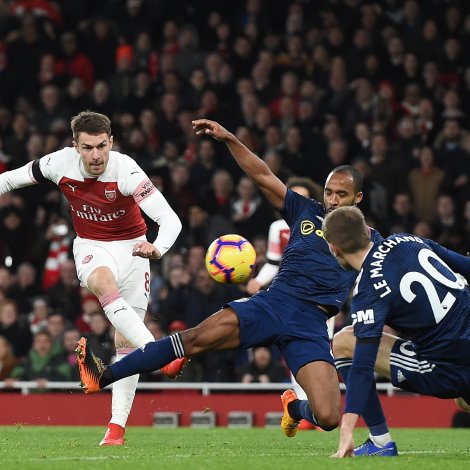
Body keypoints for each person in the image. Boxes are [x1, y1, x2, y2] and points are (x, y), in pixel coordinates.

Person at [76, 118, 381, 435]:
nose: (332, 200)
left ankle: (294, 407)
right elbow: (262, 175)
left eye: (341, 195)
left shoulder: (373, 243)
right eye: (329, 192)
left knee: (329, 417)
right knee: (192, 339)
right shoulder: (307, 211)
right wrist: (230, 138)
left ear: (358, 198)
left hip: (311, 325)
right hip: (272, 305)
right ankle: (101, 376)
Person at [0, 111, 182, 446]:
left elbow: (170, 220)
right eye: (88, 148)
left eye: (101, 146)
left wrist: (158, 248)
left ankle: (116, 429)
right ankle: (162, 354)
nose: (96, 155)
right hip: (92, 246)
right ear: (75, 146)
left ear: (111, 142)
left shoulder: (126, 169)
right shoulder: (58, 163)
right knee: (102, 284)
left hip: (135, 252)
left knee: (125, 345)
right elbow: (10, 180)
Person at [321, 206, 470, 457]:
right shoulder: (406, 240)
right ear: (367, 231)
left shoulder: (369, 290)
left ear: (334, 248)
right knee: (464, 401)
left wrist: (347, 426)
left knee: (344, 341)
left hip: (449, 369)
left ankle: (380, 442)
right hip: (463, 346)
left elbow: (362, 364)